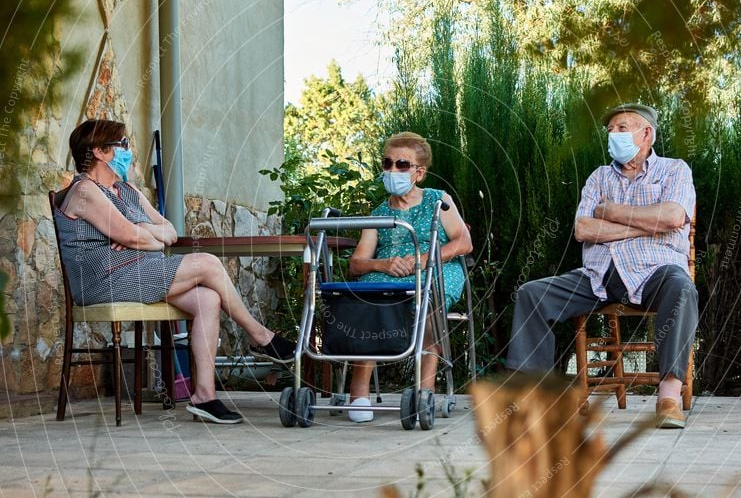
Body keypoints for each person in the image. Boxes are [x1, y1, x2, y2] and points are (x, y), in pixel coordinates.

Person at [56, 119, 295, 424]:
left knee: (207, 299)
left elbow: (169, 231)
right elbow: (135, 239)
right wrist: (139, 238)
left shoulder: (125, 190)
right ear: (100, 152)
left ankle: (204, 397)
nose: (130, 151)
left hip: (136, 270)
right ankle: (260, 336)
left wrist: (142, 231)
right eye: (123, 145)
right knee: (208, 263)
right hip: (103, 281)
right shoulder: (85, 191)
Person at [507, 104, 698, 429]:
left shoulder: (674, 170)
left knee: (681, 287)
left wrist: (610, 211)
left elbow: (673, 217)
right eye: (610, 130)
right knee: (531, 294)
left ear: (646, 134)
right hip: (599, 275)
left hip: (656, 271)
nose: (613, 135)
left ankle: (668, 396)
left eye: (622, 128)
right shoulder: (599, 176)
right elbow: (583, 229)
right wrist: (644, 225)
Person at [346, 132, 473, 422]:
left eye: (402, 164)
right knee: (368, 295)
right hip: (389, 273)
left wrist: (421, 261)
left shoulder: (438, 200)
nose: (392, 170)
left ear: (419, 172)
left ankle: (424, 391)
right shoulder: (378, 213)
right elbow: (357, 263)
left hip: (436, 267)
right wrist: (383, 264)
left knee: (428, 294)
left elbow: (463, 243)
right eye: (387, 163)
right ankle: (359, 393)